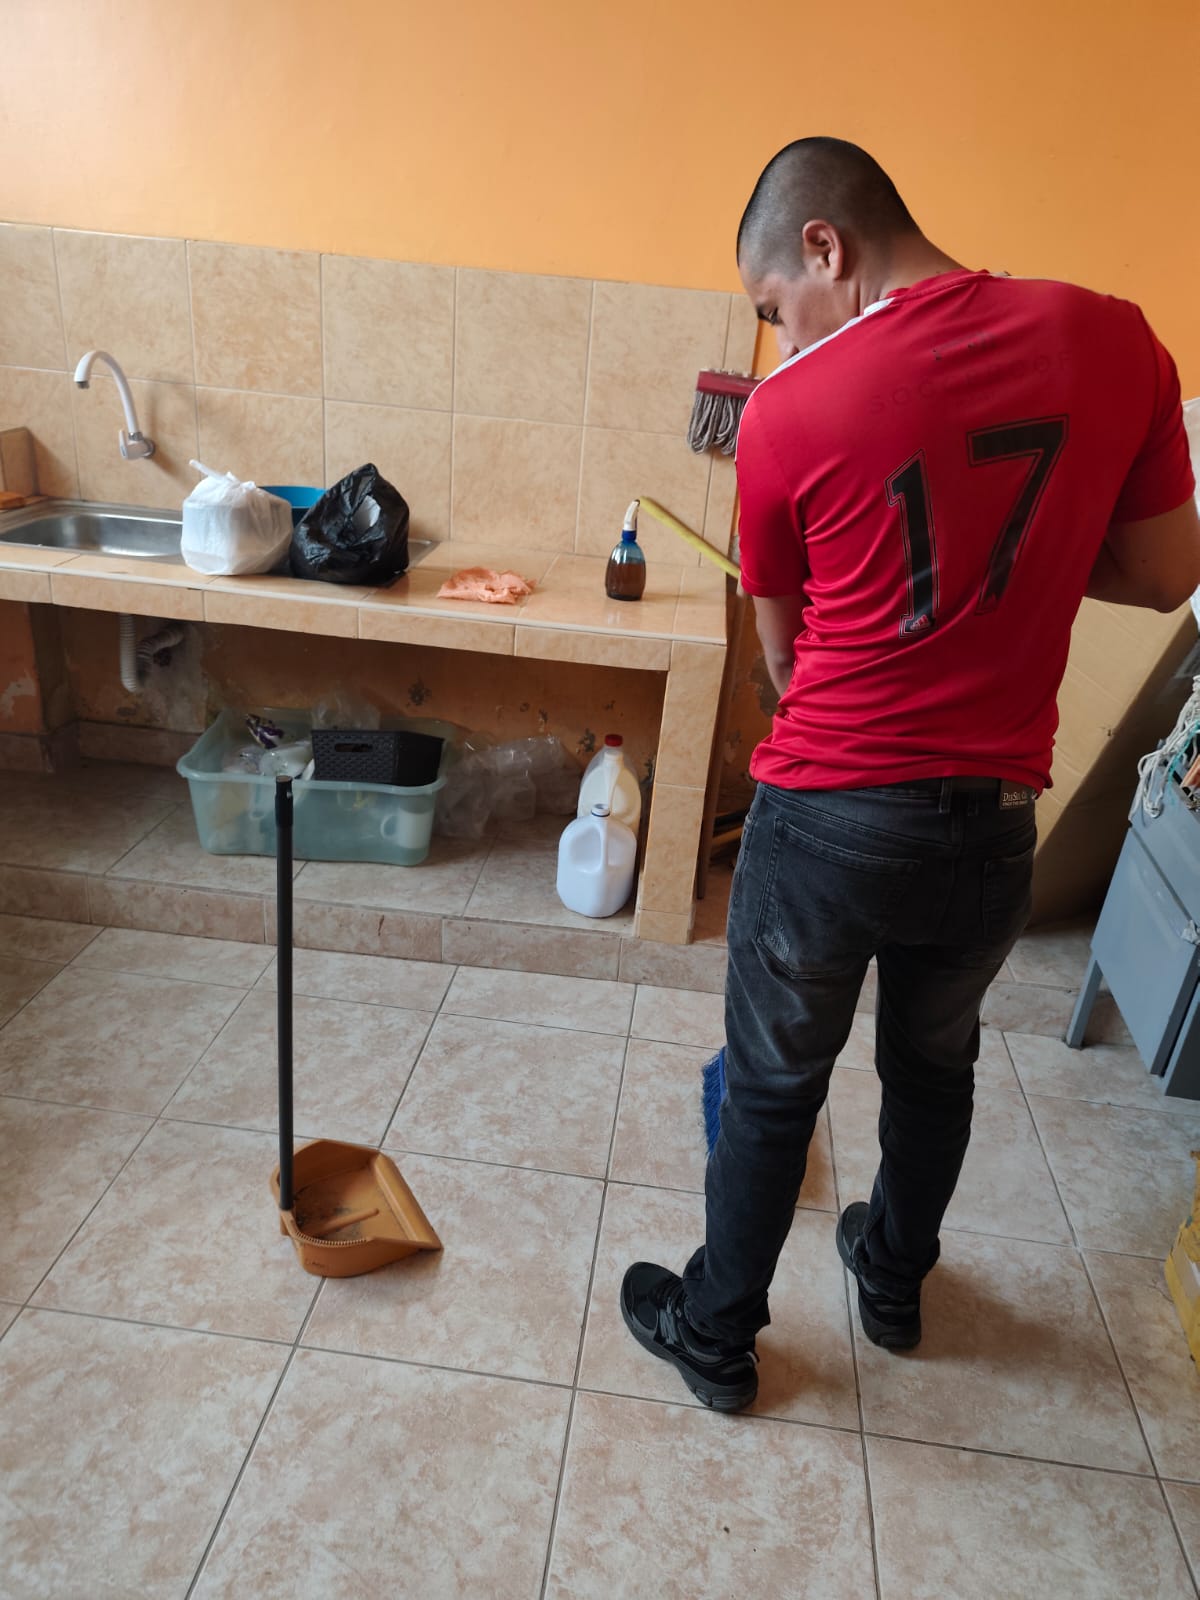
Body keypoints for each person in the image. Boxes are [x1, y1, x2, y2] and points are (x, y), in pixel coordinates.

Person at [621, 136, 1200, 1413]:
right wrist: (1032, 566)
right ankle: (891, 1282)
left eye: (775, 307)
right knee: (935, 1068)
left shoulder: (790, 412)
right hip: (991, 832)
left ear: (825, 245)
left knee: (775, 1083)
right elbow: (1169, 573)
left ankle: (717, 1336)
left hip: (827, 823)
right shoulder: (1119, 342)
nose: (776, 341)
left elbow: (784, 656)